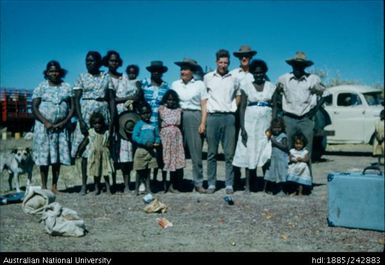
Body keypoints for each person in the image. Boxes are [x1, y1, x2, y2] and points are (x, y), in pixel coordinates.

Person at [273, 51, 326, 187]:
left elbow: (324, 94)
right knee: (288, 149)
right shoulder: (283, 79)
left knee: (306, 150)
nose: (298, 67)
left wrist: (313, 111)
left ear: (305, 66)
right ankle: (288, 182)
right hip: (288, 118)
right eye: (296, 65)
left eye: (301, 65)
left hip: (305, 119)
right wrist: (279, 111)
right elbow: (276, 94)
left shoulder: (313, 79)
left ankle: (306, 183)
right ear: (292, 65)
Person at [71, 51, 115, 195]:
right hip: (85, 114)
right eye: (87, 60)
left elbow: (111, 100)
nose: (88, 63)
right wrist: (81, 120)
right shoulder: (81, 77)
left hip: (102, 116)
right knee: (86, 151)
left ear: (98, 62)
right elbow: (76, 100)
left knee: (102, 149)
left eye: (91, 60)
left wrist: (112, 121)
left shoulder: (106, 77)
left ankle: (104, 184)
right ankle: (84, 184)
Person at [232, 59, 275, 193]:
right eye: (256, 73)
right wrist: (243, 128)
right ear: (252, 73)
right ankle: (248, 186)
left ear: (265, 72)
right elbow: (242, 107)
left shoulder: (271, 86)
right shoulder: (246, 86)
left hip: (265, 125)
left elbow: (275, 107)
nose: (258, 75)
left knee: (265, 152)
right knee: (249, 152)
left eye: (261, 73)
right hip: (250, 125)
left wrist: (272, 126)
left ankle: (266, 186)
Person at [31, 60, 75, 193]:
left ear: (60, 72)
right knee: (44, 158)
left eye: (56, 71)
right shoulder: (41, 87)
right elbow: (34, 107)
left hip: (61, 129)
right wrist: (46, 122)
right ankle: (44, 185)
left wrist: (65, 121)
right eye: (51, 71)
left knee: (57, 158)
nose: (54, 73)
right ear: (47, 73)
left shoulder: (67, 87)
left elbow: (72, 106)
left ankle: (54, 185)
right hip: (44, 129)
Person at [204, 49, 241, 194]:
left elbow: (238, 95)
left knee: (229, 153)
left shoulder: (234, 78)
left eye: (226, 62)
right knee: (211, 153)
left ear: (229, 63)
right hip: (213, 117)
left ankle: (229, 184)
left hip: (229, 118)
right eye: (220, 62)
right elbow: (205, 98)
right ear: (216, 62)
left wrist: (233, 108)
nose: (223, 65)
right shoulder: (208, 78)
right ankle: (212, 184)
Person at [171, 58, 208, 193]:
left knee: (196, 152)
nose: (183, 71)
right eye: (181, 69)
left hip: (194, 116)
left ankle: (198, 182)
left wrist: (203, 122)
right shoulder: (175, 84)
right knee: (178, 152)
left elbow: (204, 105)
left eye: (186, 69)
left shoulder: (199, 85)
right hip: (178, 117)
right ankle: (177, 182)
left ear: (192, 71)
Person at [140, 61, 170, 183]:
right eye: (154, 70)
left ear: (162, 72)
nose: (156, 72)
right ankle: (143, 180)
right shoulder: (143, 84)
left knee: (160, 152)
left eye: (159, 70)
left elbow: (167, 104)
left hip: (159, 122)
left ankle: (158, 180)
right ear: (150, 72)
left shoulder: (165, 86)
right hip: (146, 121)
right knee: (145, 152)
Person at [76, 112, 114, 195]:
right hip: (95, 156)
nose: (97, 125)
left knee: (106, 172)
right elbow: (84, 142)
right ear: (92, 124)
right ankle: (97, 188)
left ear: (102, 123)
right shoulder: (91, 133)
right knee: (96, 173)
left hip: (104, 155)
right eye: (95, 123)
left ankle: (108, 188)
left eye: (99, 123)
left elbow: (109, 143)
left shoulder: (106, 133)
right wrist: (79, 152)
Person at [158, 90, 185, 192]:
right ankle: (164, 184)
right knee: (165, 160)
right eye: (169, 99)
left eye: (173, 100)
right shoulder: (161, 109)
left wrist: (182, 140)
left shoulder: (179, 110)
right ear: (165, 100)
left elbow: (181, 126)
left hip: (176, 137)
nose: (171, 102)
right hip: (165, 137)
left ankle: (173, 185)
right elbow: (158, 124)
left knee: (174, 160)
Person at [132, 102, 161, 195]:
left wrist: (157, 142)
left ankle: (148, 188)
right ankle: (136, 189)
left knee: (148, 170)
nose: (146, 115)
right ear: (140, 114)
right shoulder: (139, 124)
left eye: (148, 113)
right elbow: (134, 136)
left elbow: (157, 136)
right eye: (143, 113)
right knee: (139, 171)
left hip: (151, 151)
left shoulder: (154, 125)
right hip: (141, 150)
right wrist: (144, 142)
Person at [263, 117, 289, 195]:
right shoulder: (271, 135)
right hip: (273, 158)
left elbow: (285, 147)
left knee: (280, 174)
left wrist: (275, 143)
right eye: (274, 128)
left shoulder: (283, 136)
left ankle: (281, 190)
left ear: (282, 127)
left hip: (281, 159)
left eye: (279, 127)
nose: (276, 129)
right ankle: (271, 189)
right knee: (271, 173)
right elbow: (266, 132)